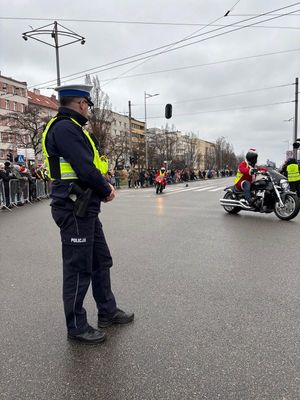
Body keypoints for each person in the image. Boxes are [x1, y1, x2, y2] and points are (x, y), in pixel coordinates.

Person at [42, 83, 134, 344]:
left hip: (84, 207)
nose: (89, 110)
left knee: (100, 261)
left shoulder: (72, 129)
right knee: (78, 269)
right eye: (89, 105)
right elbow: (84, 168)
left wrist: (101, 186)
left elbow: (88, 165)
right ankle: (76, 326)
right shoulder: (65, 129)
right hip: (73, 208)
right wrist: (106, 189)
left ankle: (107, 311)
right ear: (81, 103)